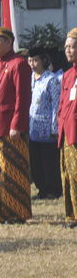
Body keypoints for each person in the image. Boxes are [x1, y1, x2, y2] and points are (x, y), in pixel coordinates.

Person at [0, 26, 33, 224]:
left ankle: (17, 212)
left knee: (14, 170)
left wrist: (17, 124)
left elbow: (23, 97)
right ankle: (0, 211)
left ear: (9, 42)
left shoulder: (19, 64)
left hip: (11, 128)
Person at [27, 47, 61, 200]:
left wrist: (55, 127)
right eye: (30, 61)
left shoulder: (51, 79)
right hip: (33, 128)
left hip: (47, 129)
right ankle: (41, 189)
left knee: (49, 162)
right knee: (36, 162)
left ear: (44, 61)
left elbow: (56, 105)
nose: (32, 64)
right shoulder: (31, 79)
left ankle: (52, 190)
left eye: (35, 60)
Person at [57, 29, 77, 228]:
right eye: (66, 47)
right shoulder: (68, 75)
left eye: (73, 47)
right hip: (66, 132)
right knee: (68, 174)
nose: (69, 51)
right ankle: (72, 215)